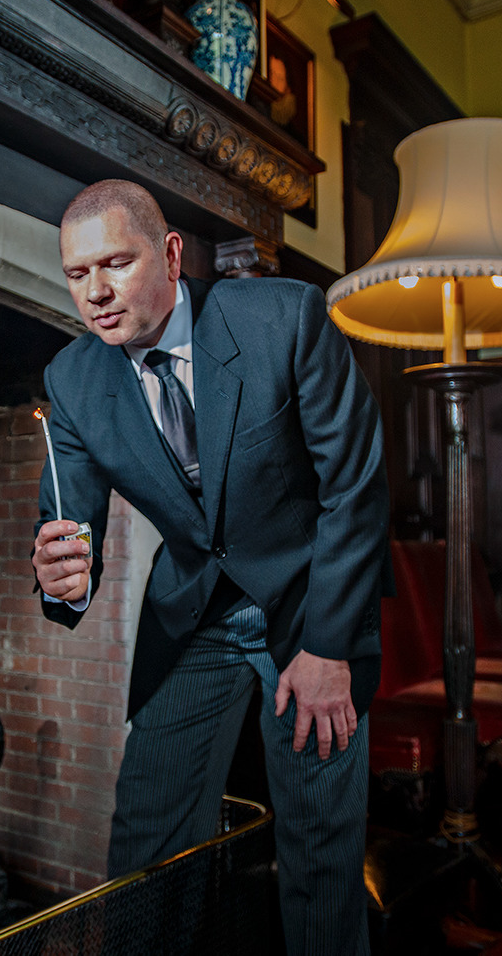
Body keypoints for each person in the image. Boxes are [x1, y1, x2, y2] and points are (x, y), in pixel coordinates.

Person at [30, 180, 390, 955]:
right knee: (145, 841)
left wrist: (328, 647)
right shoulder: (72, 379)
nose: (94, 293)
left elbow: (354, 491)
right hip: (194, 614)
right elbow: (67, 523)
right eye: (75, 274)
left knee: (318, 849)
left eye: (115, 264)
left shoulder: (283, 318)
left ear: (169, 253)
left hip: (308, 608)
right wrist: (62, 576)